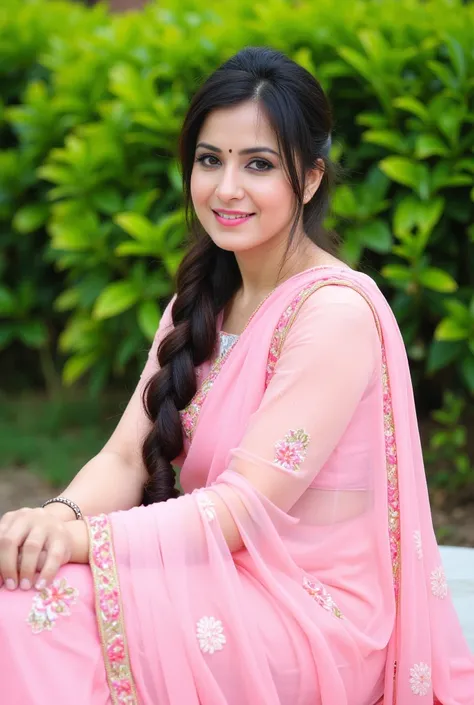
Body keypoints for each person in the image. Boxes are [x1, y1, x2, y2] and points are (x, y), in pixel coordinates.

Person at [0, 46, 472, 705]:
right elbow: (123, 456)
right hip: (212, 574)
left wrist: (81, 541)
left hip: (307, 613)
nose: (226, 188)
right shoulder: (199, 304)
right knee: (23, 584)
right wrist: (54, 518)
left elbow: (243, 505)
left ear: (309, 178)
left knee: (36, 613)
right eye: (209, 160)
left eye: (258, 164)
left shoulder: (332, 311)